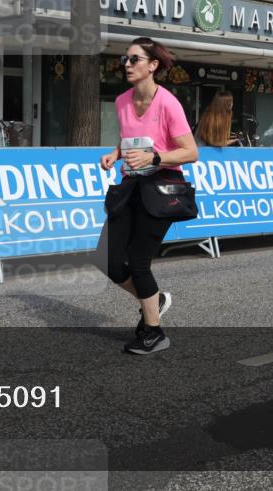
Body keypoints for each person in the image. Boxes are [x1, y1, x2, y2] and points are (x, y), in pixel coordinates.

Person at [99, 37, 199, 355]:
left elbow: (190, 152)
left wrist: (154, 158)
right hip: (130, 186)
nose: (126, 65)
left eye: (134, 59)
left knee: (139, 263)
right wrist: (115, 153)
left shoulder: (168, 103)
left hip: (160, 188)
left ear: (152, 65)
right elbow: (128, 139)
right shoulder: (122, 101)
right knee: (110, 261)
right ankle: (154, 301)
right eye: (124, 60)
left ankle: (153, 332)